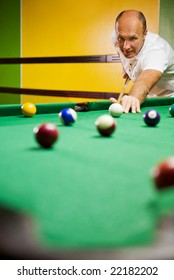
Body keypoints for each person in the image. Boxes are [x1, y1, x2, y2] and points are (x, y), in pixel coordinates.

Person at [110, 9, 174, 113]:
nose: (125, 47)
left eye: (132, 39)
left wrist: (132, 97)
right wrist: (125, 67)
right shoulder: (117, 36)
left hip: (170, 99)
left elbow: (144, 83)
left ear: (145, 34)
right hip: (148, 98)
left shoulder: (156, 50)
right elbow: (119, 49)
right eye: (121, 38)